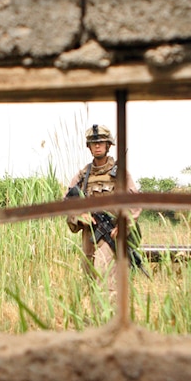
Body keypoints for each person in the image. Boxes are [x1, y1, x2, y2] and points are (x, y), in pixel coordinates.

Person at [66, 124, 142, 292]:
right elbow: (67, 201)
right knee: (89, 281)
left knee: (106, 281)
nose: (97, 146)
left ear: (108, 145)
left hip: (112, 235)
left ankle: (107, 317)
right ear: (89, 147)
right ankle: (92, 317)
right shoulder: (82, 175)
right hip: (89, 236)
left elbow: (135, 204)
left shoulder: (120, 174)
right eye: (94, 143)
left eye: (101, 142)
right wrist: (80, 215)